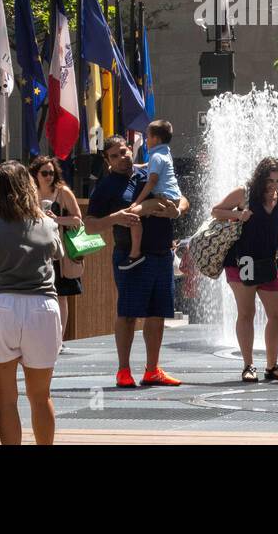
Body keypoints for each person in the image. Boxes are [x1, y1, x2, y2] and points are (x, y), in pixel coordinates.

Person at [0, 161, 64, 445]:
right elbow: (59, 256)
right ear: (29, 188)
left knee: (6, 400)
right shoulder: (48, 224)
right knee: (41, 397)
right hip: (42, 308)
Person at [84, 135, 190, 389]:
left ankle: (152, 370)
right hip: (131, 258)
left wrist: (178, 209)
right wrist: (115, 218)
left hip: (162, 254)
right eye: (115, 155)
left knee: (157, 314)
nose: (122, 158)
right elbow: (89, 226)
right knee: (128, 314)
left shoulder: (151, 172)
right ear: (107, 160)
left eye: (124, 152)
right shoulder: (106, 187)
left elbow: (182, 198)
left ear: (132, 149)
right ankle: (123, 370)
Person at [211, 157, 278, 382]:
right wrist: (238, 215)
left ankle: (272, 365)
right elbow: (216, 211)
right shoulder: (244, 193)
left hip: (269, 262)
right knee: (247, 313)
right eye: (270, 180)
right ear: (260, 178)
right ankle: (248, 365)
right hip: (242, 262)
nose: (274, 185)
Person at [31, 155, 85, 344]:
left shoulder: (63, 193)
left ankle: (59, 339)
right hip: (37, 251)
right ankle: (41, 338)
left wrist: (56, 219)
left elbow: (78, 219)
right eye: (44, 173)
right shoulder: (30, 193)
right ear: (35, 174)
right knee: (39, 295)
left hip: (60, 252)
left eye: (51, 173)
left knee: (61, 295)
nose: (48, 177)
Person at [122, 119, 182, 269]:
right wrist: (135, 166)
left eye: (148, 136)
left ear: (156, 139)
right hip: (173, 198)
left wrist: (137, 202)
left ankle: (134, 254)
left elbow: (152, 181)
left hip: (164, 199)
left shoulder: (156, 156)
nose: (146, 140)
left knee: (132, 214)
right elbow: (149, 166)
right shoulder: (164, 153)